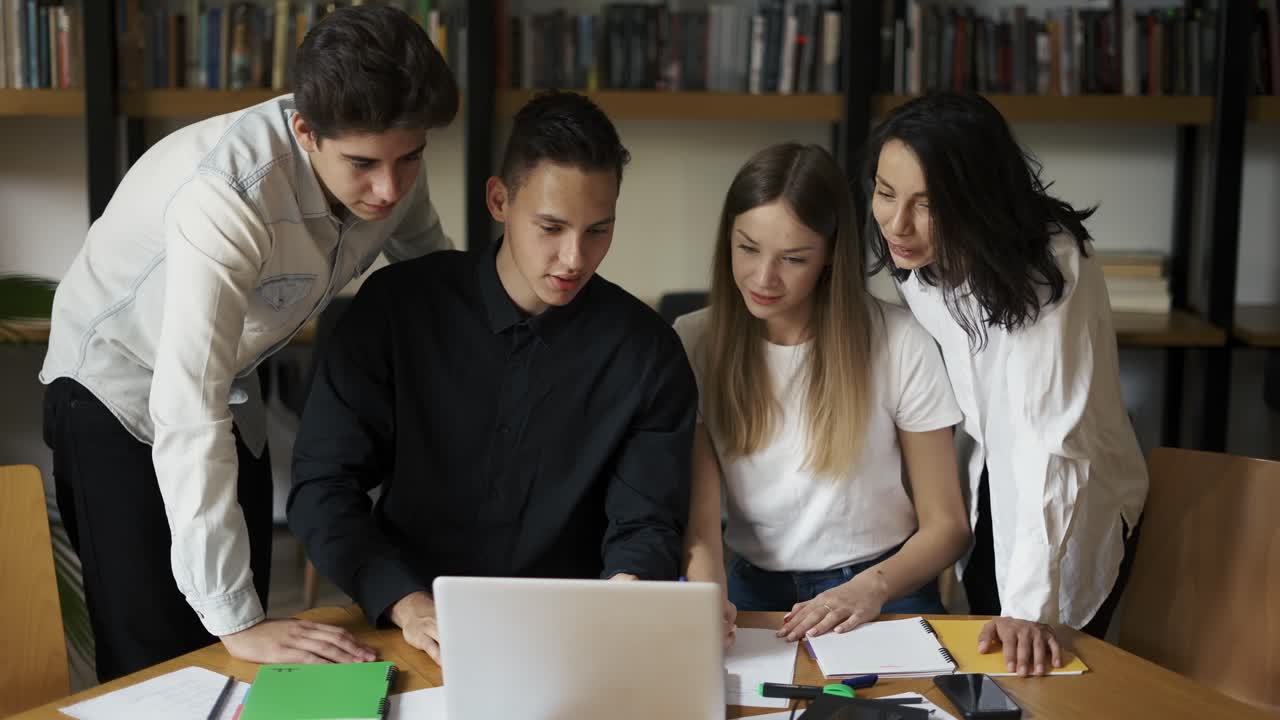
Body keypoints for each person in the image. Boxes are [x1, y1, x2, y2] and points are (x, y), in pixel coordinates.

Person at [40, 5, 458, 680]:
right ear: (305, 131)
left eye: (409, 158)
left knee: (249, 639)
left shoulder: (390, 160)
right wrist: (237, 622)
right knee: (162, 656)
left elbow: (434, 275)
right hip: (113, 386)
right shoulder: (229, 194)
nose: (389, 189)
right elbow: (188, 403)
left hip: (231, 376)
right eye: (362, 164)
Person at [287, 90, 697, 665]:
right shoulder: (397, 309)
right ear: (499, 200)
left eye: (598, 231)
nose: (574, 258)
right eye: (551, 227)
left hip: (573, 636)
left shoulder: (647, 351)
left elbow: (647, 522)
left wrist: (627, 591)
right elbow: (323, 486)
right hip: (408, 625)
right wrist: (405, 602)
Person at [864, 91, 1148, 676]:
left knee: (1042, 678)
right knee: (987, 672)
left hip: (1072, 492)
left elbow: (1047, 445)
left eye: (927, 203)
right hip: (994, 478)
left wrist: (1028, 608)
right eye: (886, 193)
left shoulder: (1049, 269)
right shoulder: (917, 255)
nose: (896, 223)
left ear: (977, 199)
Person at [676, 143, 971, 652]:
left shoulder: (900, 341)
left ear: (832, 253)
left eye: (793, 259)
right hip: (753, 586)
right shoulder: (693, 341)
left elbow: (948, 526)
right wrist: (709, 600)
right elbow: (700, 525)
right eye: (748, 248)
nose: (763, 278)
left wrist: (869, 588)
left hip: (884, 586)